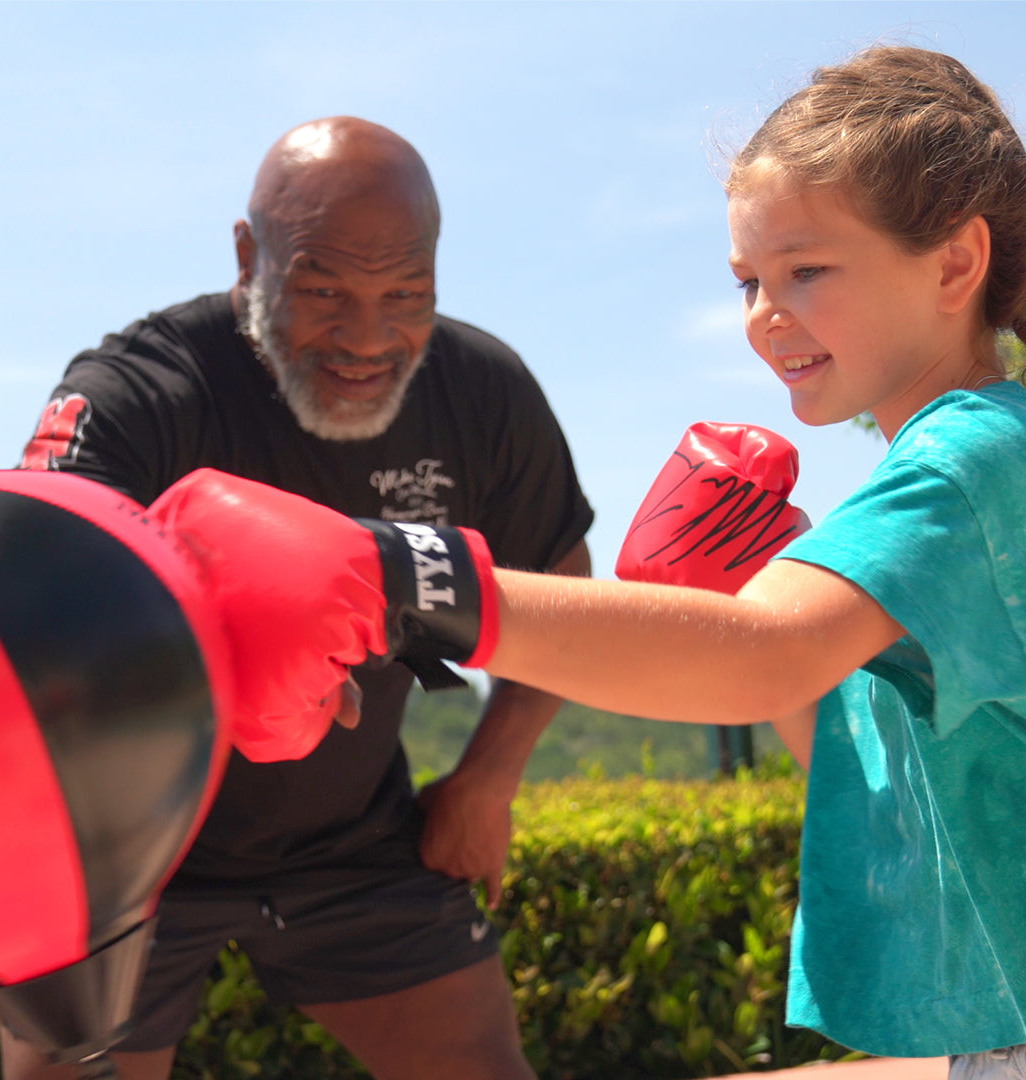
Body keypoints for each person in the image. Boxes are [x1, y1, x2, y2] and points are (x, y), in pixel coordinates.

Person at [244, 46, 1026, 1076]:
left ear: (955, 265)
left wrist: (403, 580)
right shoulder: (956, 460)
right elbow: (852, 765)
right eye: (749, 279)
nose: (763, 313)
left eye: (806, 271)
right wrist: (757, 597)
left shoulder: (974, 457)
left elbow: (763, 656)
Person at [12, 117, 593, 1080]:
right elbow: (26, 599)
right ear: (251, 258)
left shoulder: (482, 392)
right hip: (125, 856)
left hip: (352, 844)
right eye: (324, 290)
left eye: (405, 294)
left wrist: (487, 781)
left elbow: (559, 588)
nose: (368, 337)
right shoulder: (141, 389)